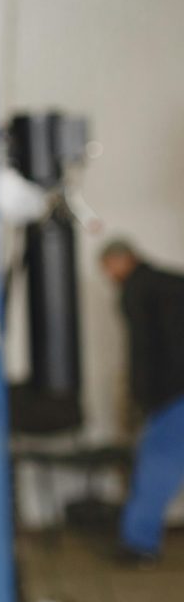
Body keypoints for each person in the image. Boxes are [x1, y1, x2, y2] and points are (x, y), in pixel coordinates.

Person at [100, 239, 184, 566]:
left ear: (121, 261)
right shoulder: (173, 282)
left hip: (172, 395)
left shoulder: (136, 290)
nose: (109, 277)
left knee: (155, 467)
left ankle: (139, 544)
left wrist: (142, 396)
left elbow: (143, 351)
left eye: (108, 269)